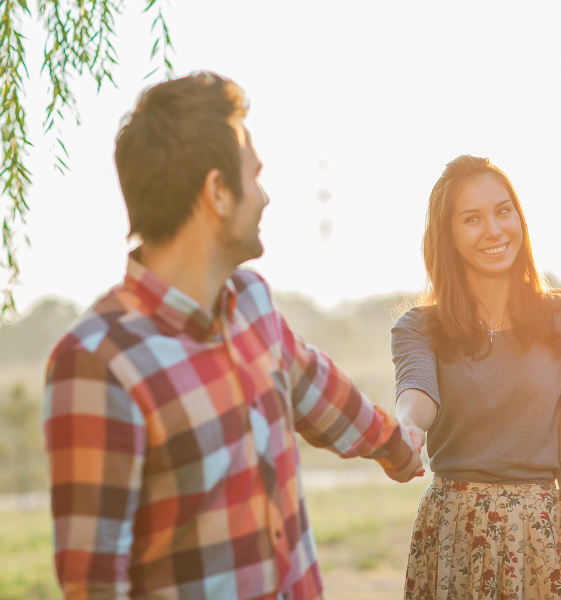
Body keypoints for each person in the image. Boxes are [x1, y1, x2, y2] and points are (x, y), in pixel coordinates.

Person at [42, 72, 423, 600]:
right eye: (255, 175)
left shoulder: (252, 304)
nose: (265, 197)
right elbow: (95, 585)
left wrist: (400, 446)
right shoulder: (97, 362)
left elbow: (319, 390)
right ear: (218, 191)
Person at [392, 155, 561, 600]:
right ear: (447, 237)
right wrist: (405, 427)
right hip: (453, 538)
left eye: (503, 211)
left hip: (538, 542)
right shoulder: (420, 327)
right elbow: (417, 393)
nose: (494, 229)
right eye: (471, 219)